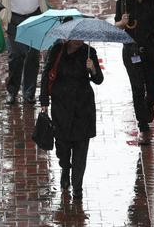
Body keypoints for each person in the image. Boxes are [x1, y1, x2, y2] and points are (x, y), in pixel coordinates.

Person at [39, 39, 103, 199]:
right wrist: (44, 101)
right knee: (62, 147)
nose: (78, 41)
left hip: (84, 108)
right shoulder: (57, 50)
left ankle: (78, 188)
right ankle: (65, 168)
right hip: (61, 108)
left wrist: (93, 69)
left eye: (80, 38)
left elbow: (99, 79)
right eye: (74, 38)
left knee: (81, 149)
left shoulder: (89, 52)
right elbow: (46, 75)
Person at [115, 0, 154, 144]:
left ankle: (147, 106)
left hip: (152, 52)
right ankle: (143, 126)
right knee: (137, 88)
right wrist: (121, 24)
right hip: (132, 52)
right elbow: (116, 27)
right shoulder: (122, 3)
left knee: (153, 88)